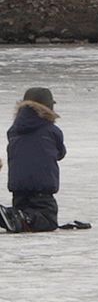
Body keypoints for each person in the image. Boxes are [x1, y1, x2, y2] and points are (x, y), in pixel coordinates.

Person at [1, 88, 67, 233]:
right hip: (41, 187)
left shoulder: (14, 130)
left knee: (22, 217)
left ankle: (16, 215)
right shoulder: (51, 130)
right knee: (48, 220)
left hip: (18, 188)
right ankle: (20, 217)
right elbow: (60, 153)